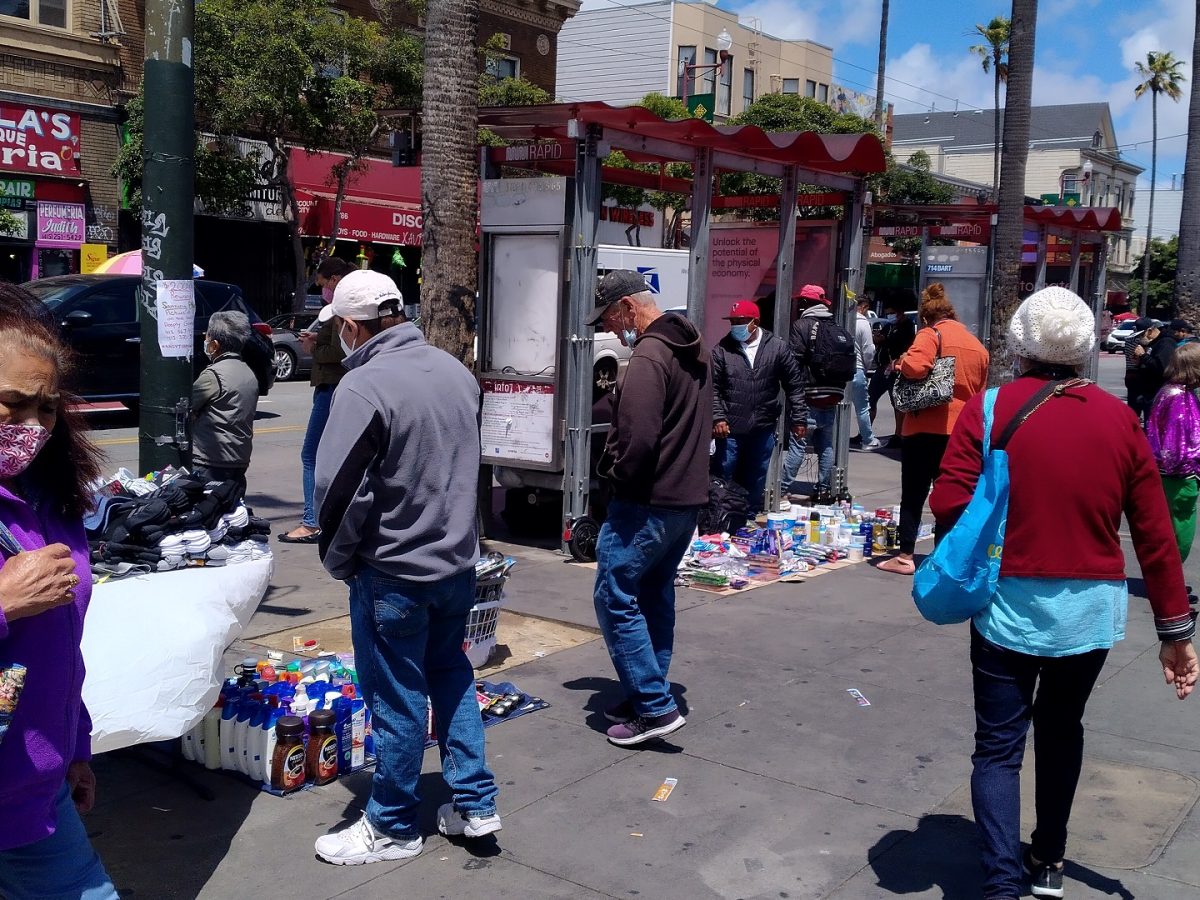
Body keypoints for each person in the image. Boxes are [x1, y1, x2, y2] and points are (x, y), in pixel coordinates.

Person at [930, 286, 1198, 900]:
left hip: (1004, 604)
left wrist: (990, 521)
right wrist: (1175, 633)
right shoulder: (1118, 419)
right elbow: (1154, 534)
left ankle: (1002, 881)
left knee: (998, 746)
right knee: (1062, 728)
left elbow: (947, 501)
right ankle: (1048, 859)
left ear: (1020, 343)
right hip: (1089, 611)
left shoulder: (991, 409)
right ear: (1084, 351)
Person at [312, 270, 500, 865]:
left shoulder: (364, 386)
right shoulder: (454, 372)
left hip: (394, 570)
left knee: (396, 700)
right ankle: (474, 803)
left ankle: (392, 823)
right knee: (451, 677)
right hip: (454, 566)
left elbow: (339, 492)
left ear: (350, 325)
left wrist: (340, 561)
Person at [0, 284, 117, 898]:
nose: (32, 427)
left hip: (30, 786)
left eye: (46, 408)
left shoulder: (47, 499)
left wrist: (75, 747)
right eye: (13, 404)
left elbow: (59, 648)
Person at [585, 270, 711, 747]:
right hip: (684, 495)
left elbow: (638, 436)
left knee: (614, 595)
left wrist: (616, 479)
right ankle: (648, 691)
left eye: (611, 320)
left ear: (627, 308)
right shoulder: (692, 345)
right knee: (654, 592)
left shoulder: (650, 354)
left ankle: (654, 707)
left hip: (648, 499)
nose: (612, 331)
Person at [877, 283, 988, 576]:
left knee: (914, 492)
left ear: (926, 317)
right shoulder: (975, 344)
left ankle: (905, 557)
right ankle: (943, 554)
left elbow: (917, 366)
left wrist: (900, 363)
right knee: (948, 492)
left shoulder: (930, 334)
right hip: (961, 430)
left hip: (925, 426)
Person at [281, 256, 354, 544]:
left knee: (311, 455)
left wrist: (313, 348)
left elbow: (339, 353)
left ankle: (311, 522)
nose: (322, 291)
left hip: (331, 386)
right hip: (337, 386)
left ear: (334, 280)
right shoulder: (346, 307)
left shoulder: (342, 309)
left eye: (323, 284)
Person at [711, 300, 806, 516]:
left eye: (741, 321)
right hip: (730, 430)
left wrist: (799, 419)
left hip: (762, 427)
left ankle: (748, 517)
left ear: (756, 322)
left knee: (756, 476)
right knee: (724, 473)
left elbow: (795, 385)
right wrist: (718, 418)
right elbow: (713, 388)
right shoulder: (721, 350)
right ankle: (718, 517)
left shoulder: (777, 347)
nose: (736, 325)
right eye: (733, 321)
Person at [782, 283, 854, 501]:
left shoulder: (802, 325)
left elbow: (794, 360)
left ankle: (783, 489)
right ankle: (823, 489)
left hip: (809, 395)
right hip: (833, 395)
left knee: (798, 444)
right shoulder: (835, 325)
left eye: (799, 301)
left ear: (805, 302)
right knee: (825, 445)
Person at [191, 311, 258, 496]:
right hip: (239, 458)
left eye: (207, 336)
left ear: (214, 345)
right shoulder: (248, 373)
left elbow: (188, 406)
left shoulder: (213, 375)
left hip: (210, 460)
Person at [1146, 342, 1200, 572]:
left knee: (1171, 531)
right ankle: (1170, 581)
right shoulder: (1179, 397)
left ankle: (1168, 578)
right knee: (1181, 535)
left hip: (1171, 474)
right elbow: (1176, 445)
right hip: (1180, 475)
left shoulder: (1172, 391)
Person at [870, 300, 917, 447]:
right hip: (883, 368)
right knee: (870, 397)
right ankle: (866, 432)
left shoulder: (907, 326)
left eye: (892, 313)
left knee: (897, 402)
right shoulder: (889, 326)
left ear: (900, 313)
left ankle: (898, 435)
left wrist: (884, 339)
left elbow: (896, 341)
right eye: (888, 313)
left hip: (897, 369)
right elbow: (880, 339)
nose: (889, 316)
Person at [849, 296, 880, 451]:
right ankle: (868, 439)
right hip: (858, 368)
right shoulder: (863, 323)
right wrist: (866, 367)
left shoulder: (842, 319)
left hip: (840, 370)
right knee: (862, 407)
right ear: (864, 307)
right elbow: (868, 350)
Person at [1128, 318, 1175, 424]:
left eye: (1141, 335)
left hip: (1158, 393)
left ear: (1149, 331)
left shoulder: (1166, 343)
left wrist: (1143, 356)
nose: (1139, 339)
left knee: (1154, 425)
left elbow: (1162, 368)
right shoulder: (1153, 343)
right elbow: (1150, 364)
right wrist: (1139, 362)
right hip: (1148, 393)